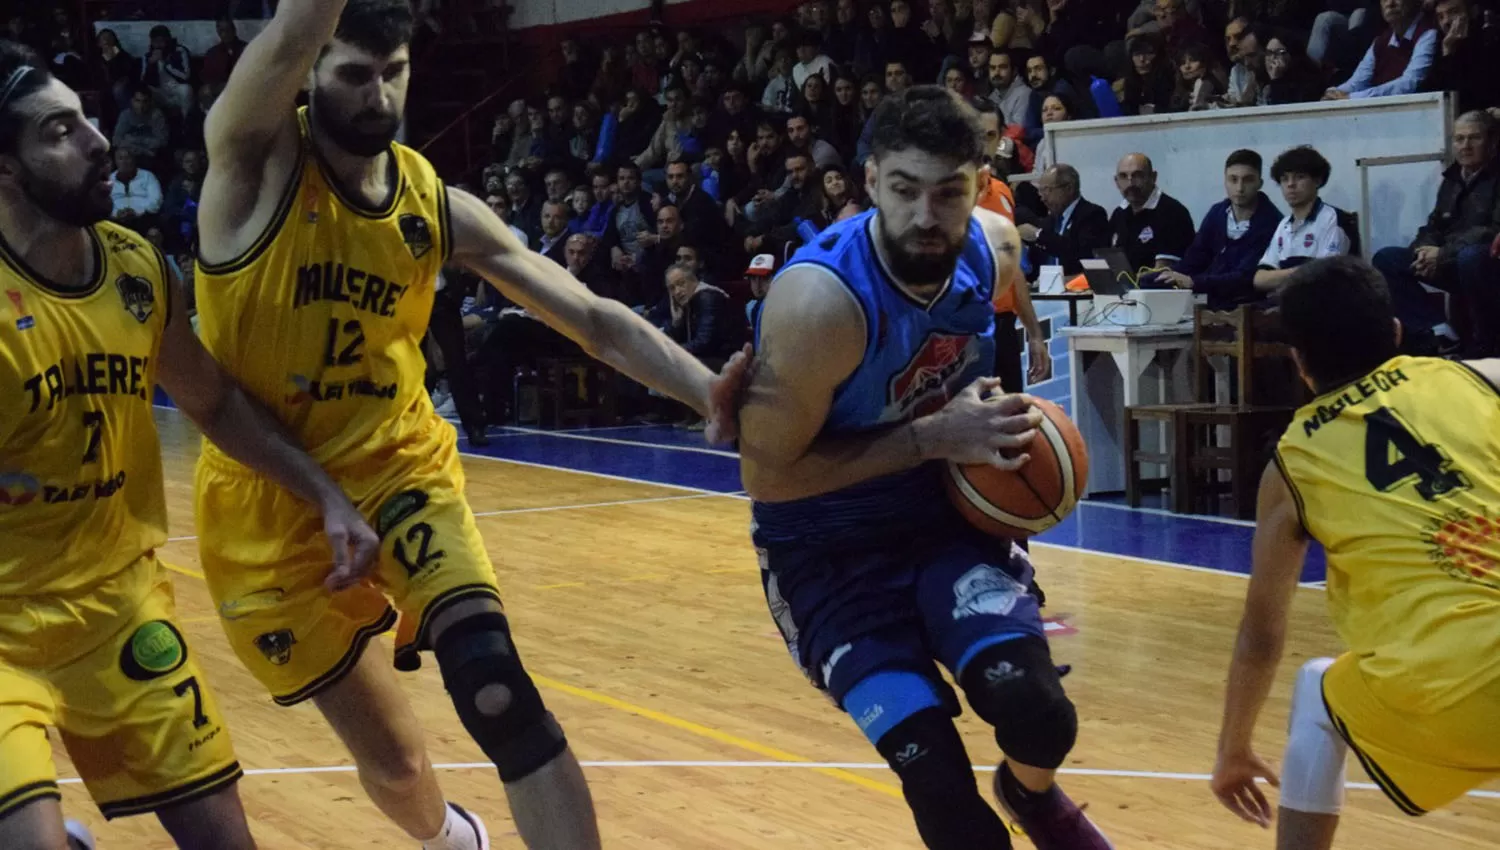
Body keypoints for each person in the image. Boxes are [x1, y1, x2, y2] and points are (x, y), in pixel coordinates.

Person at [192, 4, 749, 850]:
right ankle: (451, 839)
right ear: (308, 71)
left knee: (496, 690)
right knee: (398, 768)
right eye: (352, 73)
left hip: (398, 471)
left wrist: (714, 394)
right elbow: (297, 24)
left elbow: (595, 319)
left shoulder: (434, 204)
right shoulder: (253, 166)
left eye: (394, 71)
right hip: (264, 499)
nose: (377, 93)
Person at [0, 40, 381, 850]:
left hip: (118, 609)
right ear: (6, 170)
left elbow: (213, 402)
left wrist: (327, 495)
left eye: (89, 120)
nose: (100, 141)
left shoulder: (136, 270)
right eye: (59, 131)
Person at [738, 85, 1112, 850]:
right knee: (939, 783)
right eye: (904, 191)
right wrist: (933, 437)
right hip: (827, 552)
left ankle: (1029, 795)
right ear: (870, 181)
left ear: (981, 185)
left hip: (941, 521)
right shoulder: (819, 305)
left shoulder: (994, 245)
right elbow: (768, 479)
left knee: (1041, 712)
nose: (924, 215)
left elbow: (997, 299)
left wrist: (1001, 406)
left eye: (950, 194)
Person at [1212, 254, 1500, 850]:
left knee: (1319, 688)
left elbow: (1260, 637)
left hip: (1453, 699)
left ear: (1299, 363)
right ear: (1395, 333)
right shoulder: (1475, 379)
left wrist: (1233, 751)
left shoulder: (1292, 464)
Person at [1373, 110, 1500, 357]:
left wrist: (1442, 254)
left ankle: (1484, 342)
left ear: (1492, 142)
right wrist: (1424, 251)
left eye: (1474, 138)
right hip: (1453, 260)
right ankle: (1438, 332)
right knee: (1387, 258)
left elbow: (1492, 232)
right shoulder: (1452, 178)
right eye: (1459, 139)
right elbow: (1434, 225)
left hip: (1486, 265)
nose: (1465, 146)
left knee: (1472, 257)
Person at [1147, 149, 1282, 308]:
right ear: (1225, 181)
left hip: (1244, 303)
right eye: (1233, 179)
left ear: (1260, 183)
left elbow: (1245, 277)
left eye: (1248, 180)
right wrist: (1165, 276)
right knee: (1150, 282)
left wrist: (1193, 282)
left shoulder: (1271, 222)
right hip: (1206, 296)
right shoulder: (1217, 213)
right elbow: (1195, 258)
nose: (1239, 188)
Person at [1254, 146, 1352, 292]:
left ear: (1318, 180)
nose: (1290, 184)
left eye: (1299, 177)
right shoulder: (1283, 225)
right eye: (1284, 179)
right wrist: (1302, 272)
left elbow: (1326, 274)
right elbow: (1260, 279)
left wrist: (1280, 277)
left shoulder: (1333, 218)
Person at [1325, 0, 1437, 101]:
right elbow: (1357, 82)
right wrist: (1333, 93)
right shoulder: (1380, 41)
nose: (1390, 3)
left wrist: (1352, 97)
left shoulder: (1428, 33)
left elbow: (1410, 83)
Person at [1108, 152, 1196, 275]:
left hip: (1160, 291)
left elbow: (1163, 270)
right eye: (1123, 176)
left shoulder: (1172, 212)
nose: (1130, 183)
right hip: (1125, 290)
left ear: (1153, 177)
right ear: (1116, 182)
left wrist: (1125, 282)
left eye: (1137, 175)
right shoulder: (1119, 213)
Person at [1019, 162, 1111, 275]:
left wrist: (1039, 235)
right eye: (1040, 191)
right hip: (1045, 289)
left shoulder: (1092, 215)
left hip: (1078, 288)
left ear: (1069, 188)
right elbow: (1038, 261)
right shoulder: (1049, 221)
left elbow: (1081, 253)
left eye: (1047, 190)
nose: (1043, 198)